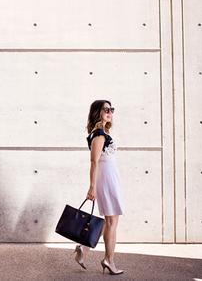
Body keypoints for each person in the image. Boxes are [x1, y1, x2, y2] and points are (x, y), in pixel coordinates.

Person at [73, 100, 125, 275]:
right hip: (106, 179)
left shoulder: (101, 132)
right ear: (97, 112)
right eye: (106, 109)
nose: (110, 112)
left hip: (109, 177)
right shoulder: (100, 134)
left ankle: (85, 247)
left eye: (112, 109)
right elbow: (94, 161)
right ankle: (108, 260)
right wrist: (92, 187)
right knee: (112, 221)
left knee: (110, 221)